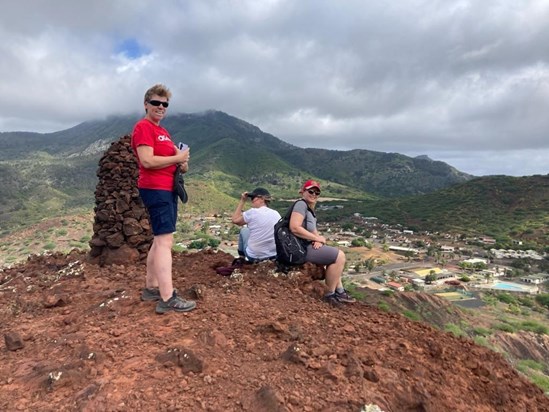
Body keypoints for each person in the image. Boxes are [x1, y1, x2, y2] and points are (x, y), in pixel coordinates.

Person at [131, 83, 196, 314]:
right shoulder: (143, 127)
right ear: (146, 104)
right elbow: (147, 161)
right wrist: (176, 157)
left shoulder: (163, 132)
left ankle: (151, 287)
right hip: (156, 189)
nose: (160, 107)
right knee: (165, 242)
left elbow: (170, 162)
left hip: (167, 189)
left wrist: (181, 162)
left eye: (164, 104)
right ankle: (167, 297)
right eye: (156, 103)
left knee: (159, 240)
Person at [288, 180, 356, 305]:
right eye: (311, 191)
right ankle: (329, 295)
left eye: (317, 192)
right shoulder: (300, 205)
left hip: (304, 246)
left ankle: (339, 291)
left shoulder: (309, 209)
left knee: (333, 256)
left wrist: (317, 238)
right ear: (303, 191)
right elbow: (295, 227)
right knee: (339, 256)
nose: (314, 194)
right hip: (299, 249)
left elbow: (313, 231)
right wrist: (317, 239)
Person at [231, 187, 281, 262]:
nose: (252, 201)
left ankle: (241, 258)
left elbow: (235, 220)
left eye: (253, 198)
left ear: (262, 199)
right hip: (273, 255)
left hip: (254, 256)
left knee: (244, 230)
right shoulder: (276, 213)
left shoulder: (252, 212)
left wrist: (242, 200)